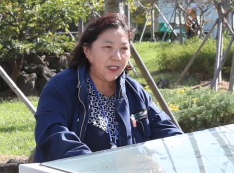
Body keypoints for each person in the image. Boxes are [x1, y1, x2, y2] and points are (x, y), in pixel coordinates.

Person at [33, 12, 182, 163]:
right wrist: (98, 164)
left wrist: (180, 144)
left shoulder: (133, 90)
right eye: (107, 47)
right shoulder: (61, 87)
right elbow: (52, 136)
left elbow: (163, 126)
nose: (116, 56)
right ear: (87, 50)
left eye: (123, 48)